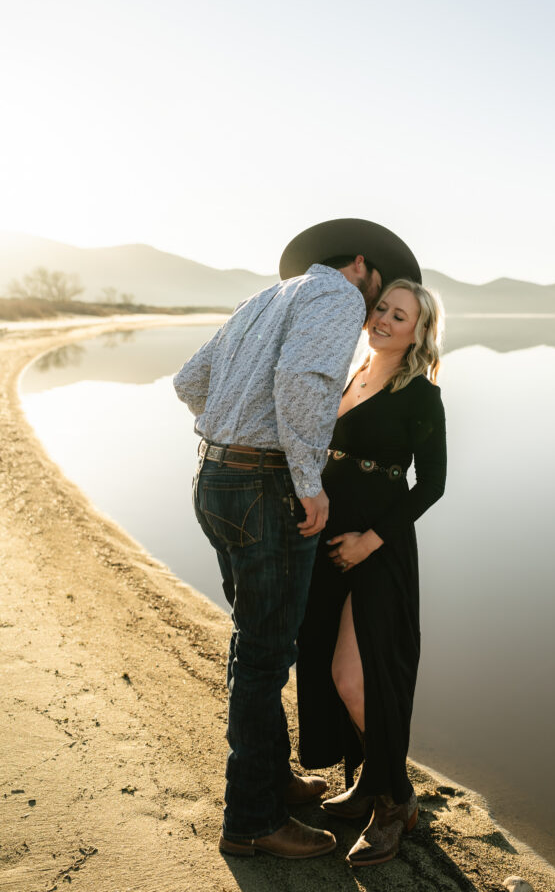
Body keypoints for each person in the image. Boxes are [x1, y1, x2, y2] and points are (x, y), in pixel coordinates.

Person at [172, 218, 421, 861]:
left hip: (215, 477)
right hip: (265, 486)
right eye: (377, 295)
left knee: (252, 640)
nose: (373, 310)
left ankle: (270, 779)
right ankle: (252, 819)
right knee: (263, 657)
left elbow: (187, 382)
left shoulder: (263, 298)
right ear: (361, 266)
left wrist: (229, 428)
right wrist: (308, 481)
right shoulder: (338, 297)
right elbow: (304, 381)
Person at [296, 277, 446, 867]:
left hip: (377, 548)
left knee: (359, 677)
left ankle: (395, 802)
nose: (383, 319)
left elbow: (431, 484)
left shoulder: (421, 395)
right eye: (381, 308)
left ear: (419, 332)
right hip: (326, 541)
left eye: (399, 315)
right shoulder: (351, 374)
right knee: (325, 666)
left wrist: (369, 541)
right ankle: (367, 778)